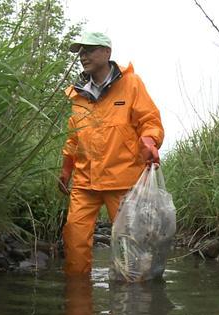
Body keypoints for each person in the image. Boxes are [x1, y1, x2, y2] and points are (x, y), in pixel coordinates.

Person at [59, 31, 164, 275]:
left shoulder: (132, 84)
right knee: (74, 239)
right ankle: (78, 299)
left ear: (107, 52)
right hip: (85, 182)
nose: (83, 56)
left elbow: (149, 120)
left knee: (129, 244)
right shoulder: (78, 95)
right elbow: (74, 137)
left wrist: (149, 140)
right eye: (80, 52)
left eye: (89, 50)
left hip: (123, 180)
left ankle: (132, 301)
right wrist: (66, 169)